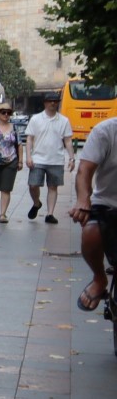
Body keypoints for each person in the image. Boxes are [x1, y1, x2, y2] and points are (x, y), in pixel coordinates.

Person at [69, 116, 117, 310]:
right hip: (108, 203)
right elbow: (85, 170)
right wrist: (83, 199)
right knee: (91, 232)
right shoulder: (105, 131)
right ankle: (99, 278)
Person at [25, 92, 75, 223]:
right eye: (50, 101)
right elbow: (29, 139)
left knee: (53, 187)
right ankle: (36, 203)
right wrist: (28, 156)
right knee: (33, 185)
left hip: (56, 159)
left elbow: (68, 140)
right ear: (45, 103)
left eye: (55, 101)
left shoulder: (64, 120)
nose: (53, 103)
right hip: (38, 158)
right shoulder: (36, 119)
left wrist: (71, 158)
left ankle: (50, 214)